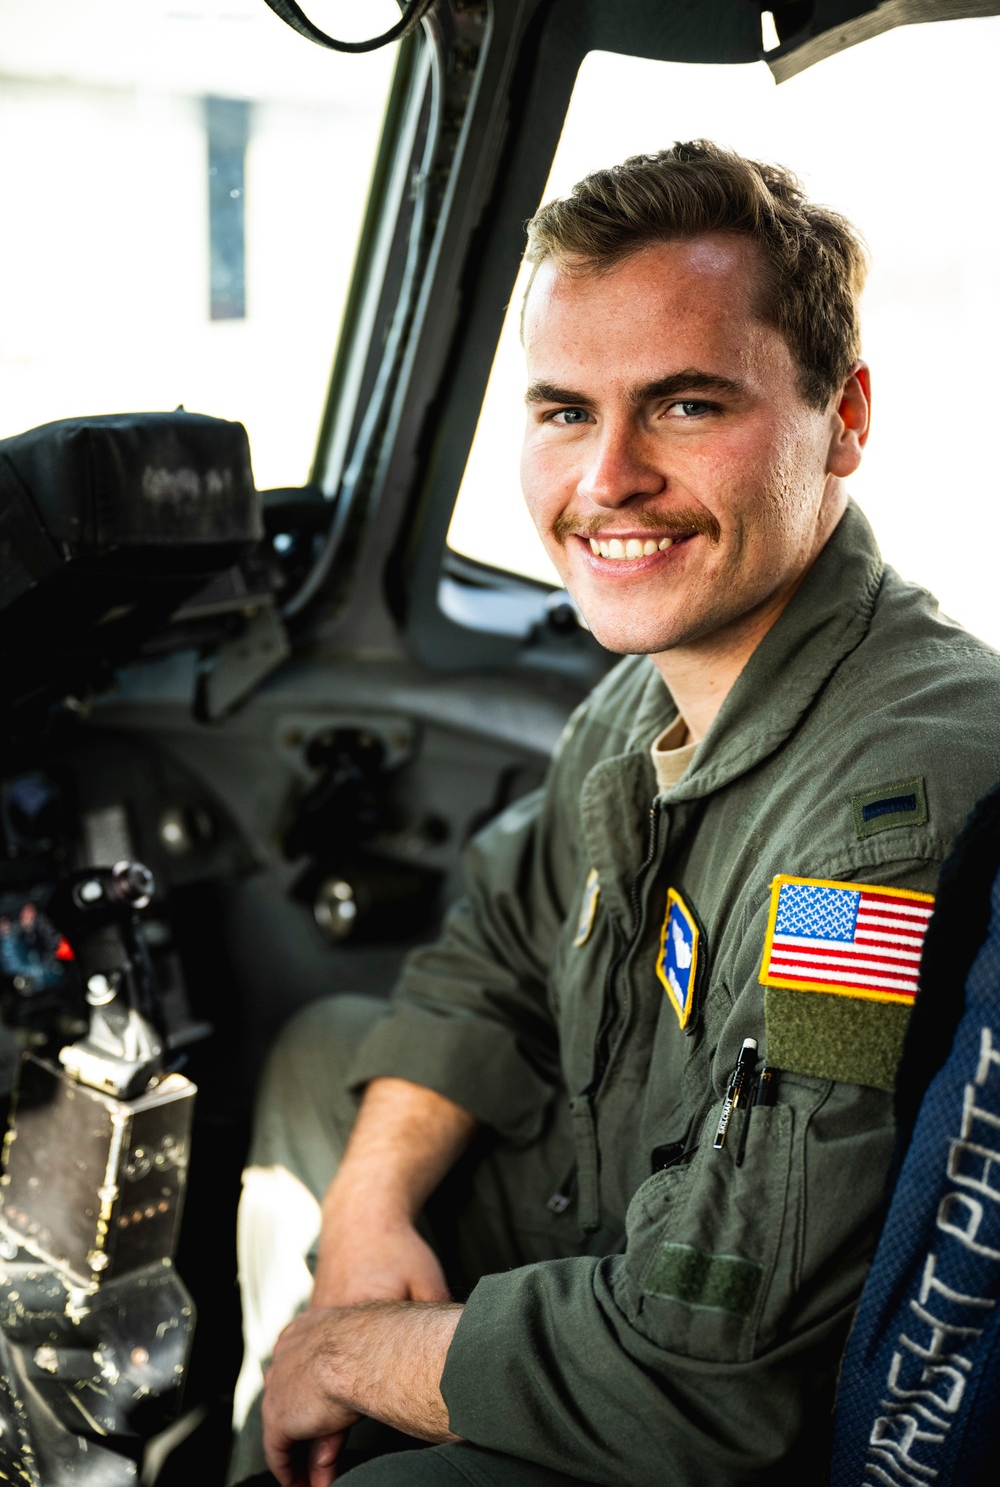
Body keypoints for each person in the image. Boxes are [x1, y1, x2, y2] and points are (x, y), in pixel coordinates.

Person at [229, 142, 1000, 1487]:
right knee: (325, 1057)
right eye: (564, 412)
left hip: (720, 1396)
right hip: (611, 1213)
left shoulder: (874, 841)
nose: (611, 479)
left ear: (848, 416)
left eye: (688, 406)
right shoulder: (653, 684)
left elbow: (715, 1375)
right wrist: (365, 1215)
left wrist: (353, 1352)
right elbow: (497, 947)